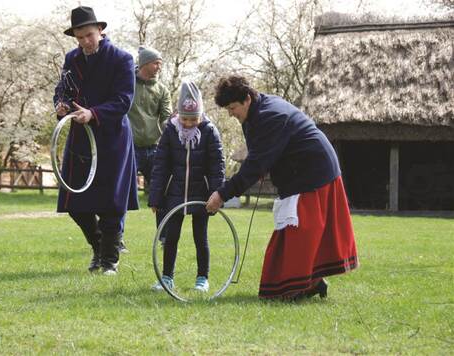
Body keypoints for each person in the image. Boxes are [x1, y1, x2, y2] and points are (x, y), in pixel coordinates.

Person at [207, 75, 358, 300]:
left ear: (247, 99)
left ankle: (299, 287)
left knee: (299, 234)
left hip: (313, 172)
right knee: (295, 234)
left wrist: (222, 194)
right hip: (302, 173)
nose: (231, 113)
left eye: (233, 107)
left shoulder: (270, 116)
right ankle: (311, 283)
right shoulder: (255, 115)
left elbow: (256, 164)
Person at [53, 6, 138, 275]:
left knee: (110, 204)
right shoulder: (72, 59)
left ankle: (109, 261)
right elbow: (63, 90)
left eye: (89, 35)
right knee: (75, 204)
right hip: (80, 139)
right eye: (79, 38)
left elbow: (124, 100)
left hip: (112, 138)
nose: (85, 42)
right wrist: (61, 105)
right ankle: (99, 248)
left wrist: (94, 113)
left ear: (100, 30)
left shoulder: (122, 59)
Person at [148, 81, 225, 292]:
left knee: (201, 236)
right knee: (170, 236)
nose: (189, 124)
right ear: (177, 115)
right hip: (175, 193)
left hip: (201, 193)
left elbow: (216, 166)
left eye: (193, 119)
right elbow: (161, 166)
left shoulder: (209, 131)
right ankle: (167, 278)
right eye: (185, 119)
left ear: (201, 115)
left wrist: (217, 194)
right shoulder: (171, 131)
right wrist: (155, 196)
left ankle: (202, 278)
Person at [127, 45, 172, 247]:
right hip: (130, 149)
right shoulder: (127, 83)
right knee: (123, 192)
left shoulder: (162, 90)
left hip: (155, 148)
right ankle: (116, 239)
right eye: (156, 63)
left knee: (161, 192)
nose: (159, 67)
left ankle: (164, 236)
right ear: (145, 63)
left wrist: (171, 126)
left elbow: (166, 117)